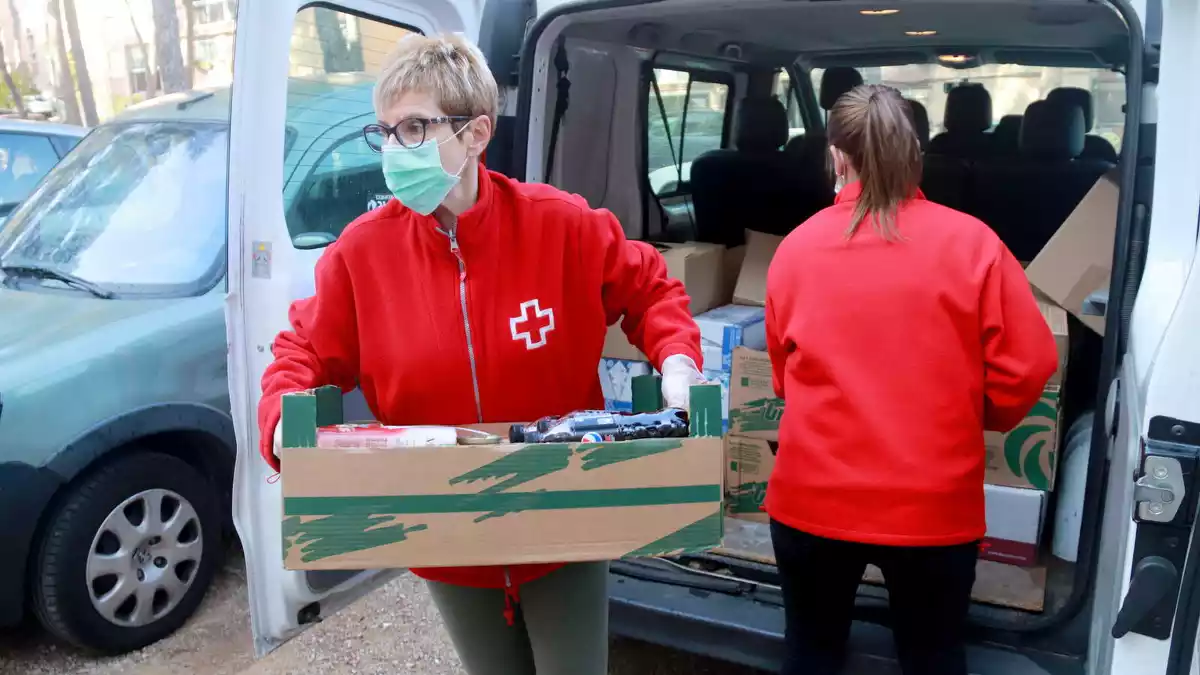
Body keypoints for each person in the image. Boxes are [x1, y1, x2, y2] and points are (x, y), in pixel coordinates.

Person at [256, 33, 705, 675]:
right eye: (384, 131)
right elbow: (300, 348)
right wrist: (281, 414)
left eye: (415, 127)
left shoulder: (560, 225)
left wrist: (679, 364)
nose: (394, 149)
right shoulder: (363, 253)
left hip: (562, 518)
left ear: (475, 133)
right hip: (446, 530)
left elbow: (652, 289)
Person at [763, 84, 1059, 675]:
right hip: (933, 510)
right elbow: (1028, 367)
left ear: (837, 156)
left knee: (811, 655)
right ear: (915, 152)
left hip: (812, 502)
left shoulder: (794, 249)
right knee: (933, 659)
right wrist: (976, 416)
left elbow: (782, 378)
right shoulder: (974, 244)